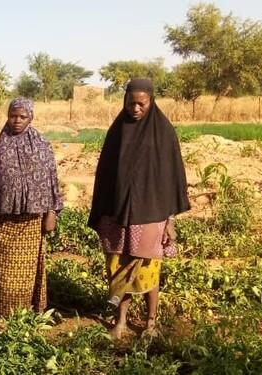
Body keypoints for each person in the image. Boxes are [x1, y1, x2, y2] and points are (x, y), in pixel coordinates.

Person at [87, 78, 190, 339]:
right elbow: (106, 176)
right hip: (117, 215)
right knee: (118, 266)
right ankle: (120, 321)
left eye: (141, 104)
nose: (135, 108)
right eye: (131, 103)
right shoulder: (117, 131)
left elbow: (171, 178)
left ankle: (150, 322)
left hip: (151, 215)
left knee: (148, 269)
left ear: (151, 101)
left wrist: (170, 221)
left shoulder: (163, 132)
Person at [0, 97, 62, 317]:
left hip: (32, 222)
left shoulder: (42, 144)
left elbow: (51, 180)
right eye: (12, 116)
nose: (17, 120)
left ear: (31, 118)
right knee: (1, 271)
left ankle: (26, 312)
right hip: (3, 220)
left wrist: (51, 212)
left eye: (22, 116)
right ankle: (0, 313)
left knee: (28, 272)